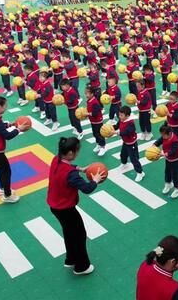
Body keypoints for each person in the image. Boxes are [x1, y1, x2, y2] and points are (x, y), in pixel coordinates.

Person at [47, 137, 107, 275]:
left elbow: (68, 166)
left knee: (69, 232)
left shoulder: (56, 159)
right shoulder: (71, 175)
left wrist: (80, 168)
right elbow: (86, 188)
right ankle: (81, 266)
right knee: (79, 235)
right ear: (69, 154)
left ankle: (70, 259)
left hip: (55, 206)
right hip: (65, 209)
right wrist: (95, 181)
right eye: (77, 151)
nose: (78, 153)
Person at [0, 95, 30, 203]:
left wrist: (10, 124)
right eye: (5, 106)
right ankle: (7, 195)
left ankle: (2, 188)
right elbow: (7, 136)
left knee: (2, 169)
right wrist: (18, 129)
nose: (6, 108)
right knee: (6, 171)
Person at [115, 106, 145, 182]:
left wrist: (117, 132)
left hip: (131, 144)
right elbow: (116, 126)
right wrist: (109, 128)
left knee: (134, 159)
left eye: (121, 115)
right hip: (125, 142)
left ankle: (140, 172)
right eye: (119, 115)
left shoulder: (130, 123)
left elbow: (127, 132)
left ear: (127, 116)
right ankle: (124, 164)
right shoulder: (121, 120)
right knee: (123, 155)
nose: (120, 116)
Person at [154, 125, 178, 198]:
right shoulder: (165, 136)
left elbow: (173, 150)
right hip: (168, 159)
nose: (162, 136)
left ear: (170, 133)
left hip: (175, 160)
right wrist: (154, 144)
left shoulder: (175, 140)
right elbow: (160, 140)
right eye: (162, 135)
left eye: (163, 135)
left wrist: (165, 154)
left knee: (175, 174)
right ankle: (168, 184)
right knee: (167, 172)